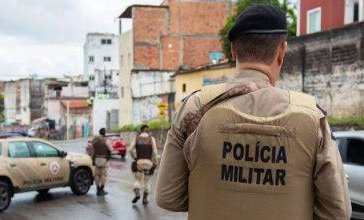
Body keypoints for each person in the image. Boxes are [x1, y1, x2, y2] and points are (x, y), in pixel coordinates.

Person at [155, 5, 351, 220]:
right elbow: (337, 211)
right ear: (282, 51)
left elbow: (168, 197)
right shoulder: (312, 116)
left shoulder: (195, 107)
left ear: (233, 50)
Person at [129, 125, 158, 205]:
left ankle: (137, 193)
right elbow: (155, 152)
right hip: (149, 162)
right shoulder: (151, 139)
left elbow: (130, 149)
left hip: (139, 162)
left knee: (137, 180)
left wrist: (135, 158)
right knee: (147, 181)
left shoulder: (137, 138)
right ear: (148, 131)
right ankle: (145, 199)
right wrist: (154, 161)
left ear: (140, 131)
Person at [91, 127, 112, 196]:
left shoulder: (95, 140)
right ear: (104, 133)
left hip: (96, 159)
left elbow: (92, 149)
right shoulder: (106, 140)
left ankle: (97, 189)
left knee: (97, 175)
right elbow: (111, 149)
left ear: (99, 133)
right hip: (104, 159)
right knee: (103, 175)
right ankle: (101, 189)